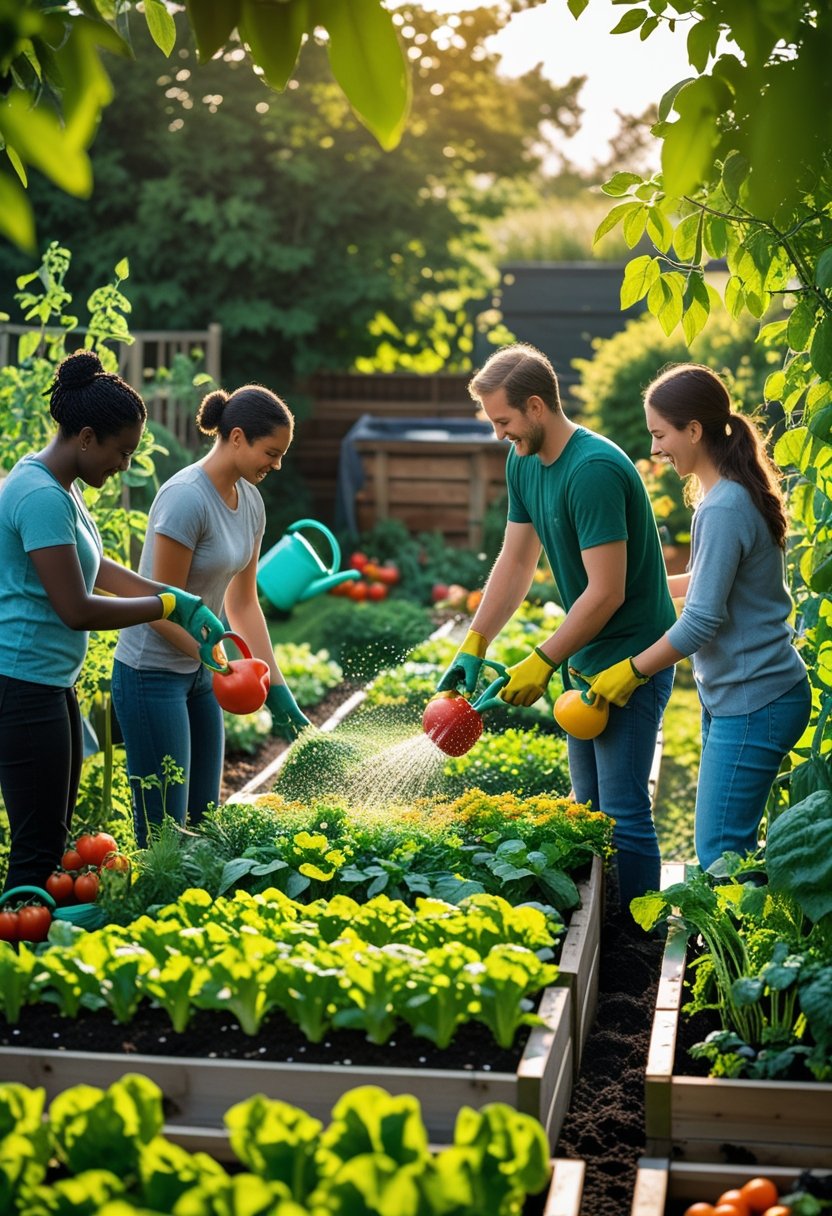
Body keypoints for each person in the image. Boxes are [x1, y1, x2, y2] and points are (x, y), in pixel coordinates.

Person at [437, 342, 676, 907]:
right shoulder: (524, 461)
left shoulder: (592, 471)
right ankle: (603, 928)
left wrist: (542, 660)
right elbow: (516, 562)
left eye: (504, 421)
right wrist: (475, 642)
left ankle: (643, 939)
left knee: (621, 809)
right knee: (586, 805)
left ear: (537, 406)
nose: (499, 434)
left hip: (633, 658)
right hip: (586, 656)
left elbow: (607, 591)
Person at [0, 349, 225, 891]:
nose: (124, 464)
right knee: (36, 852)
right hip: (22, 686)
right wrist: (166, 607)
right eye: (121, 451)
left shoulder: (62, 489)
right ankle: (19, 969)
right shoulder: (38, 496)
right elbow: (75, 608)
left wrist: (178, 598)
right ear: (84, 436)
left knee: (49, 842)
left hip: (49, 684)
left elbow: (98, 570)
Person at [588, 364, 810, 871]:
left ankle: (738, 949)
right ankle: (736, 943)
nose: (653, 450)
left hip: (757, 697)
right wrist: (637, 594)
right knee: (726, 846)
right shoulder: (719, 494)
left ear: (694, 430)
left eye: (659, 435)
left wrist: (631, 670)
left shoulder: (724, 505)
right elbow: (705, 585)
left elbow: (701, 622)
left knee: (720, 853)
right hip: (745, 693)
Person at [112, 383, 311, 846]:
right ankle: (153, 914)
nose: (276, 465)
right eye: (271, 452)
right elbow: (159, 610)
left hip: (201, 675)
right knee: (164, 834)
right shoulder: (185, 498)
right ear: (236, 437)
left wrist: (280, 695)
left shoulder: (252, 503)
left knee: (205, 823)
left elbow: (243, 603)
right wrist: (220, 659)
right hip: (151, 673)